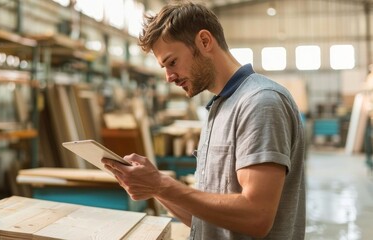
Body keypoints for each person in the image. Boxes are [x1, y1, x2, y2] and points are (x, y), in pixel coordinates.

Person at [101, 1, 306, 239]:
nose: (168, 77)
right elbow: (207, 220)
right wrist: (153, 187)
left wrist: (162, 185)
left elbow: (256, 217)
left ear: (205, 41)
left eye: (172, 62)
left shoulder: (260, 102)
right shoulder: (219, 107)